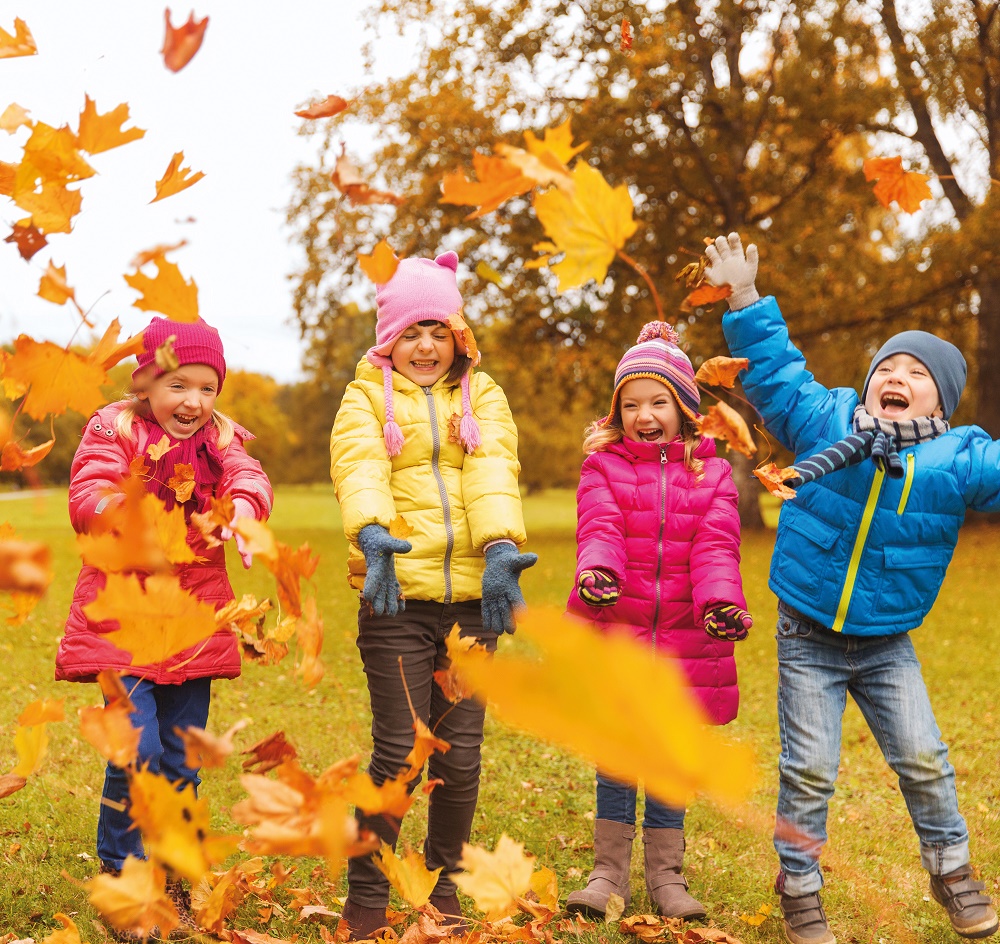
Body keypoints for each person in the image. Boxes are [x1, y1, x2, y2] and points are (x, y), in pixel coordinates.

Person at [706, 232, 1000, 944]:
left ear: (945, 399)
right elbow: (775, 375)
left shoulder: (959, 458)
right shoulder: (829, 420)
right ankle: (800, 888)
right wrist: (745, 299)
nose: (896, 375)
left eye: (915, 371)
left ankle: (952, 871)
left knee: (925, 760)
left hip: (887, 642)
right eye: (887, 367)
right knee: (809, 771)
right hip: (807, 636)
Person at [329, 250, 536, 939]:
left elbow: (494, 472)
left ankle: (446, 882)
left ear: (459, 338)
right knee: (399, 753)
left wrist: (502, 549)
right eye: (411, 332)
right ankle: (366, 892)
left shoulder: (484, 397)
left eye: (438, 332)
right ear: (389, 339)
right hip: (396, 603)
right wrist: (373, 533)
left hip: (473, 604)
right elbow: (359, 466)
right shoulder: (366, 398)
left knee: (460, 753)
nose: (425, 346)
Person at [55, 316, 273, 934]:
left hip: (192, 621)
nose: (194, 402)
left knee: (180, 758)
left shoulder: (221, 439)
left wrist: (246, 511)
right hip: (123, 618)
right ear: (147, 382)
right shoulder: (113, 430)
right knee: (137, 751)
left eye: (208, 388)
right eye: (179, 385)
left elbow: (246, 477)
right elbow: (89, 491)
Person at [563, 321, 752, 922]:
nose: (645, 414)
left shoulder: (713, 474)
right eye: (631, 403)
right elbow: (600, 530)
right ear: (618, 412)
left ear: (685, 409)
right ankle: (607, 874)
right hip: (619, 629)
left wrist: (721, 603)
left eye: (658, 402)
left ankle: (667, 876)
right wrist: (598, 573)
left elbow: (716, 546)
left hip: (685, 638)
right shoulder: (604, 468)